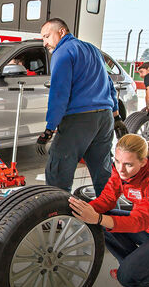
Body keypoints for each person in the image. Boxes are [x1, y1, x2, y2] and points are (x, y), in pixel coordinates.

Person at [69, 134, 149, 287]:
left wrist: (98, 217)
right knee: (101, 222)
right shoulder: (121, 170)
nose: (121, 169)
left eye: (128, 164)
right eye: (117, 161)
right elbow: (107, 200)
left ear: (143, 161)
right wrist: (77, 211)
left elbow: (139, 221)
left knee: (128, 278)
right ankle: (135, 265)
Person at [36, 17, 126, 195]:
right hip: (104, 118)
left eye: (46, 36)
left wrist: (50, 128)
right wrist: (116, 116)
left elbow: (59, 93)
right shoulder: (92, 49)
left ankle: (57, 217)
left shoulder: (62, 53)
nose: (44, 43)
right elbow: (109, 84)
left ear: (61, 32)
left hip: (79, 119)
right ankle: (107, 216)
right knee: (103, 170)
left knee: (58, 170)